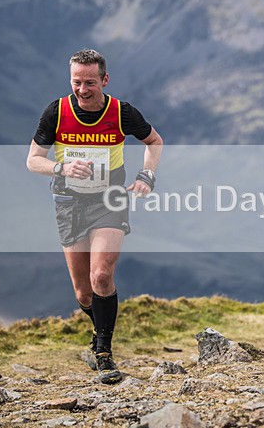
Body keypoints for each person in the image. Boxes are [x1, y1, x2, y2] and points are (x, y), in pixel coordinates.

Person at [26, 49, 163, 384]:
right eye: (76, 82)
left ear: (105, 79)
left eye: (90, 82)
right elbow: (33, 159)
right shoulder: (56, 112)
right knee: (83, 292)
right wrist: (61, 166)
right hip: (69, 203)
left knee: (102, 275)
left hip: (109, 200)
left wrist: (147, 175)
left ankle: (104, 351)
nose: (83, 89)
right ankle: (99, 328)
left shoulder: (121, 112)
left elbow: (155, 141)